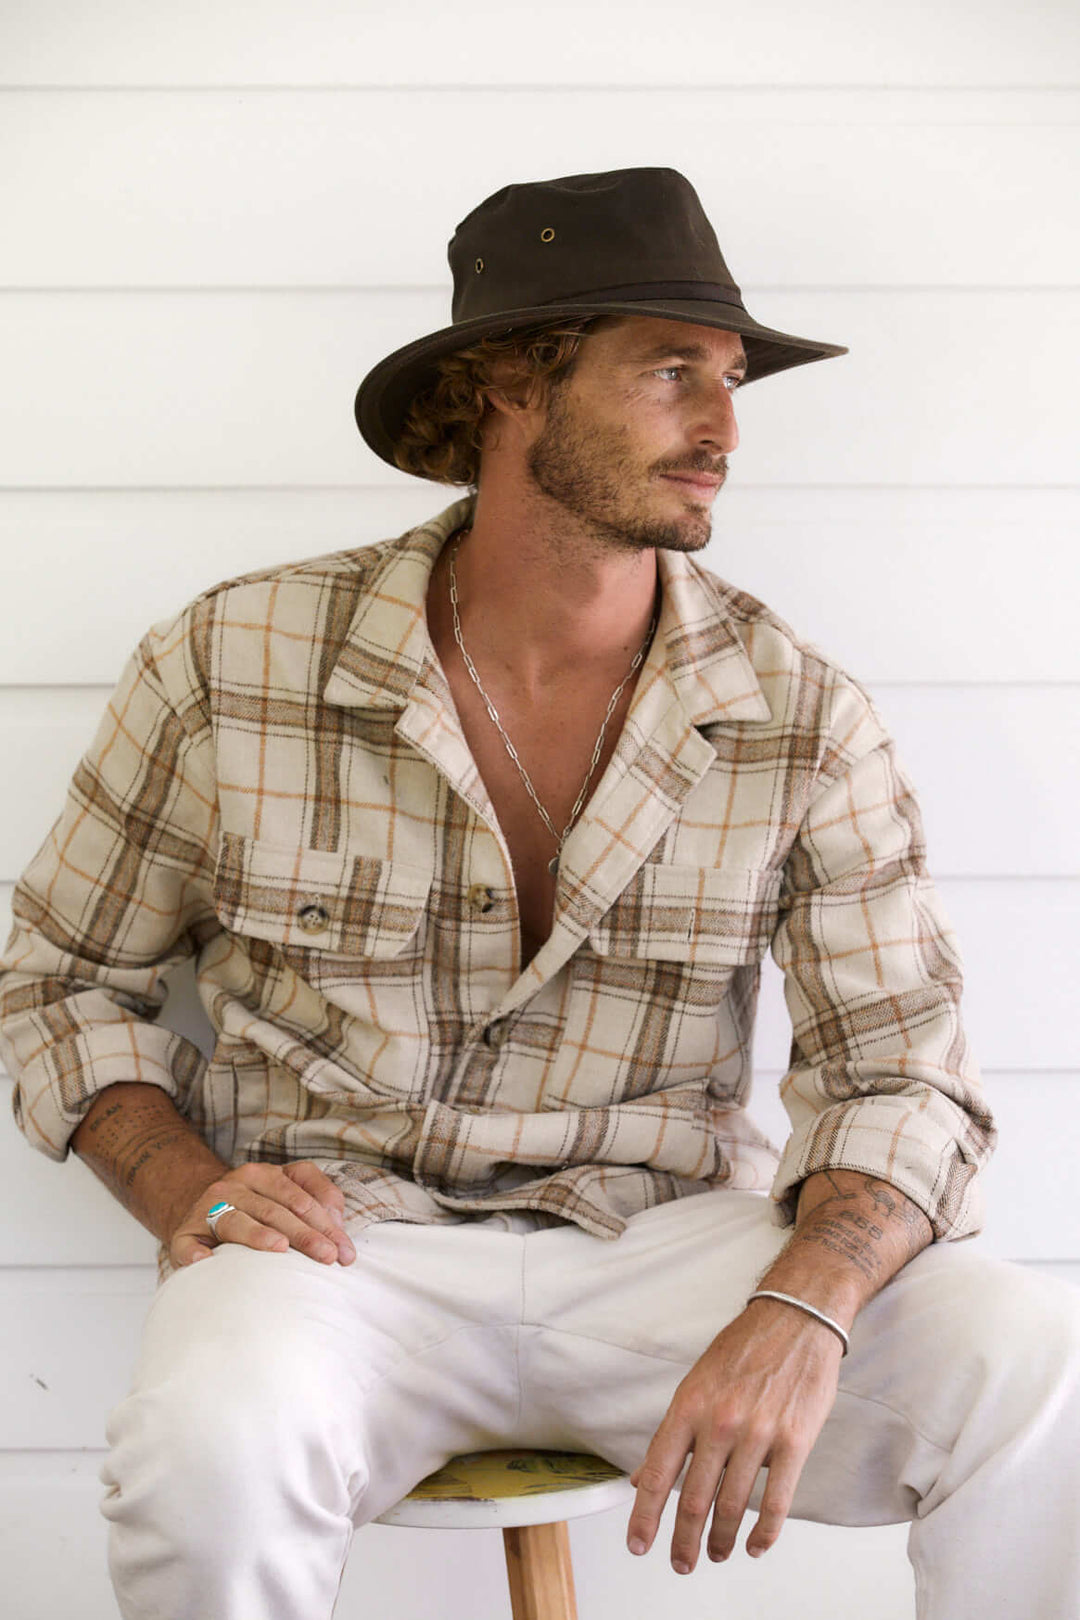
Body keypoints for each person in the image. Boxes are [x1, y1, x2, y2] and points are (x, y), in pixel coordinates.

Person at [0, 166, 1076, 1620]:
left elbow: (902, 1069)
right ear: (511, 381)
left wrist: (808, 1298)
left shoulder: (797, 712)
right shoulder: (232, 659)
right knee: (203, 1455)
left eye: (733, 378)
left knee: (1035, 1379)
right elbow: (57, 974)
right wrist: (184, 1189)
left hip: (667, 1246)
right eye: (671, 370)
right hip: (336, 1245)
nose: (722, 430)